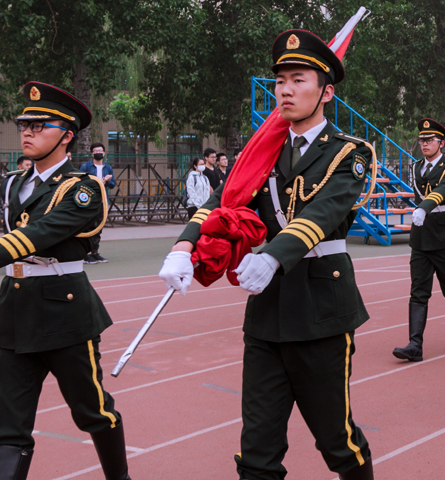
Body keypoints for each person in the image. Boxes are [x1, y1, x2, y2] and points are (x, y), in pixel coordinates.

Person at [156, 30, 376, 480]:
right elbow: (221, 201)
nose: (286, 90)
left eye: (298, 80)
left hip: (320, 310)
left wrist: (273, 255)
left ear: (326, 92)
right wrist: (183, 246)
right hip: (268, 312)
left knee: (337, 441)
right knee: (256, 451)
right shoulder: (262, 154)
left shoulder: (350, 153)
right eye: (280, 81)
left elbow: (323, 213)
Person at [0, 81, 130, 480]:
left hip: (65, 311)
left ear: (67, 136)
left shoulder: (82, 188)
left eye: (39, 125)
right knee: (6, 425)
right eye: (24, 125)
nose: (27, 132)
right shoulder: (14, 182)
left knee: (94, 411)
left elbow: (39, 234)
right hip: (16, 309)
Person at [392, 118, 445, 362]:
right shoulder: (416, 167)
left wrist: (424, 207)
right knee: (418, 290)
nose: (424, 144)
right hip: (421, 234)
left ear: (441, 143)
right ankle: (415, 344)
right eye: (422, 140)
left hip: (444, 233)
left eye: (430, 140)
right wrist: (422, 210)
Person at [80, 144, 116, 263]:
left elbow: (112, 184)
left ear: (104, 153)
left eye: (100, 150)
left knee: (98, 228)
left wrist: (107, 180)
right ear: (92, 154)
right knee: (88, 227)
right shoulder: (86, 166)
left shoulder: (107, 168)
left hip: (102, 202)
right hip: (89, 201)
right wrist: (98, 182)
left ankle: (95, 253)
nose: (98, 152)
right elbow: (79, 182)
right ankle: (85, 254)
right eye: (95, 151)